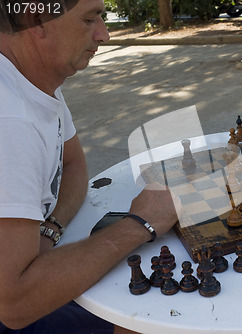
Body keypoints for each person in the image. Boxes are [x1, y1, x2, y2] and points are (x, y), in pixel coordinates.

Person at [0, 0, 181, 332]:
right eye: (88, 19)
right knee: (154, 323)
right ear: (36, 19)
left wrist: (48, 230)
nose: (105, 35)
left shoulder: (33, 77)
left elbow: (73, 165)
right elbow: (13, 304)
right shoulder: (10, 122)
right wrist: (139, 223)